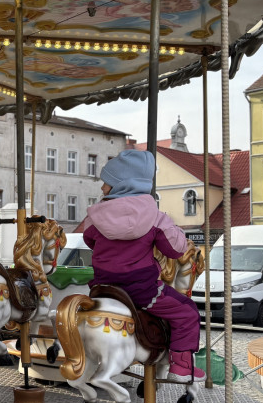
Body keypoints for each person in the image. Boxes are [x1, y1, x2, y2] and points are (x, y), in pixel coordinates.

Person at [80, 150, 205, 383]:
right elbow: (175, 250)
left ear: (121, 186)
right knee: (186, 311)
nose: (102, 188)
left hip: (104, 287)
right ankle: (180, 366)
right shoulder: (155, 217)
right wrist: (174, 230)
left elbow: (89, 240)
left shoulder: (95, 216)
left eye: (107, 183)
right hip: (141, 291)